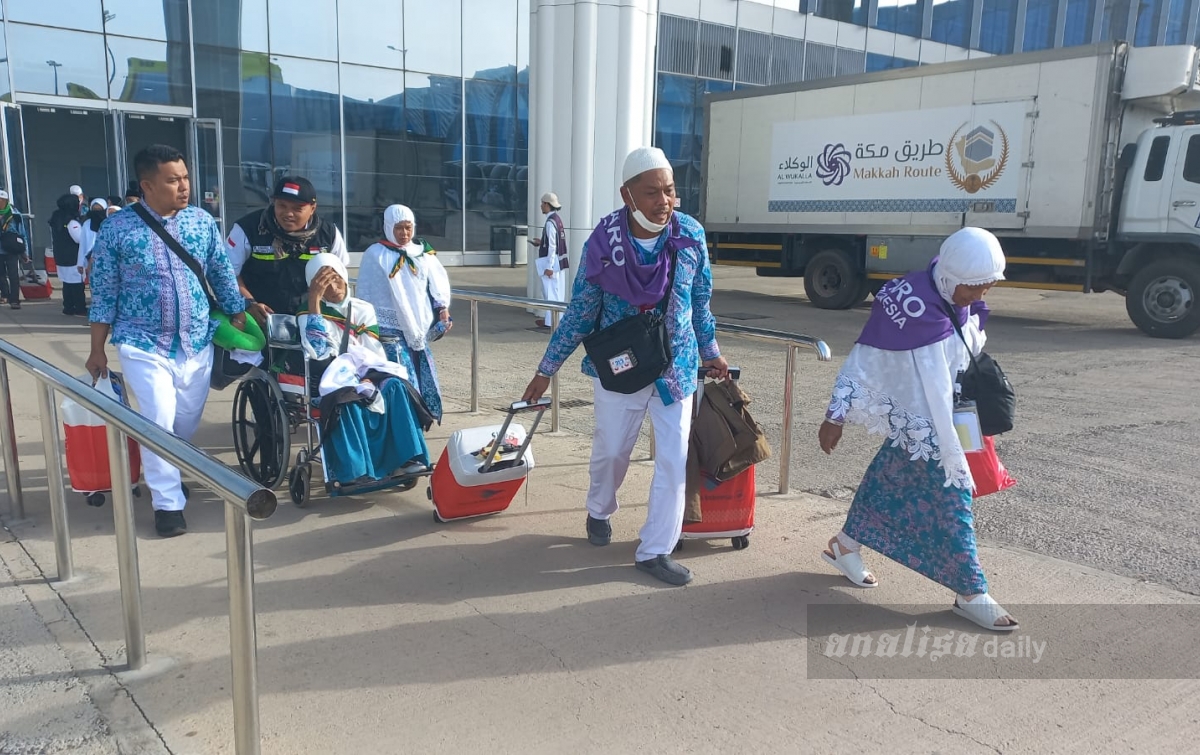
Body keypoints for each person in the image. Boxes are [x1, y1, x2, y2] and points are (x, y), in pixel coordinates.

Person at [520, 147, 728, 587]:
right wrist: (546, 368)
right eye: (652, 192)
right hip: (622, 367)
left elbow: (701, 302)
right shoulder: (604, 241)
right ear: (627, 194)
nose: (664, 201)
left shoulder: (690, 235)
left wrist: (711, 351)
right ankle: (599, 509)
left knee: (672, 460)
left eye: (670, 191)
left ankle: (655, 549)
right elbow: (580, 311)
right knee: (613, 451)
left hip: (676, 367)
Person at [817, 227, 1018, 631]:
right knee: (953, 503)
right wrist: (835, 416)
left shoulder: (956, 299)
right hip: (931, 427)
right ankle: (971, 591)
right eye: (974, 288)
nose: (979, 297)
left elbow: (963, 346)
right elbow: (864, 359)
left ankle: (845, 544)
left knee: (889, 481)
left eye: (987, 288)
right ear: (951, 275)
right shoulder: (907, 304)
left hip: (947, 418)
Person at [86, 144, 247, 538]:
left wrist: (238, 310)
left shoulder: (201, 222)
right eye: (172, 180)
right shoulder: (117, 229)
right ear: (147, 185)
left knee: (183, 423)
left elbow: (220, 271)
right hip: (141, 342)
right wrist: (96, 349)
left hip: (196, 342)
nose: (184, 186)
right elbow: (104, 291)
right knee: (157, 419)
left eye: (186, 177)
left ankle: (168, 469)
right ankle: (168, 505)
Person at [299, 253, 431, 484]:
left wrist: (369, 377)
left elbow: (374, 352)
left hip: (367, 372)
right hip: (331, 376)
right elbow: (318, 352)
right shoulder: (306, 314)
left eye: (336, 277)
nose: (333, 286)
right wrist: (314, 302)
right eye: (323, 283)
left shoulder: (363, 308)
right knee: (347, 396)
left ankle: (410, 458)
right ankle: (356, 470)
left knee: (396, 387)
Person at [356, 205, 452, 424]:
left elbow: (437, 283)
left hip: (418, 326)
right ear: (388, 227)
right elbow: (366, 291)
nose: (404, 233)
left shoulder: (422, 253)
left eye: (408, 228)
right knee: (400, 373)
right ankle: (404, 418)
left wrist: (442, 308)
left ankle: (423, 415)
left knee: (421, 368)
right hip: (388, 327)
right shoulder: (375, 253)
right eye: (399, 228)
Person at [226, 175, 349, 325]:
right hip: (259, 322)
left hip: (311, 320)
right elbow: (228, 274)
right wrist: (248, 303)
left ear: (312, 208)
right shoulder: (247, 229)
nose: (288, 214)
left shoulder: (329, 234)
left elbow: (341, 278)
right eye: (282, 206)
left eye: (297, 208)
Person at [530, 191, 569, 330]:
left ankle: (551, 323)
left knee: (550, 293)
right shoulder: (557, 220)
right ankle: (551, 321)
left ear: (547, 205)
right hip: (559, 262)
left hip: (552, 263)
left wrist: (549, 266)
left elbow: (553, 247)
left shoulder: (550, 223)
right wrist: (542, 243)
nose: (541, 206)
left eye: (542, 203)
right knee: (556, 293)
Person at [49, 193, 87, 316]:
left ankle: (68, 307)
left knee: (67, 283)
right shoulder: (71, 221)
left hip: (60, 256)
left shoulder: (56, 218)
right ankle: (80, 307)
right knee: (77, 284)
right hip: (73, 257)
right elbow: (79, 239)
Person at [0, 190, 32, 309]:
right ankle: (5, 295)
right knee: (1, 276)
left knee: (13, 275)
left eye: (2, 200)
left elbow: (22, 234)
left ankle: (14, 300)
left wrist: (25, 252)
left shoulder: (15, 214)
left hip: (11, 249)